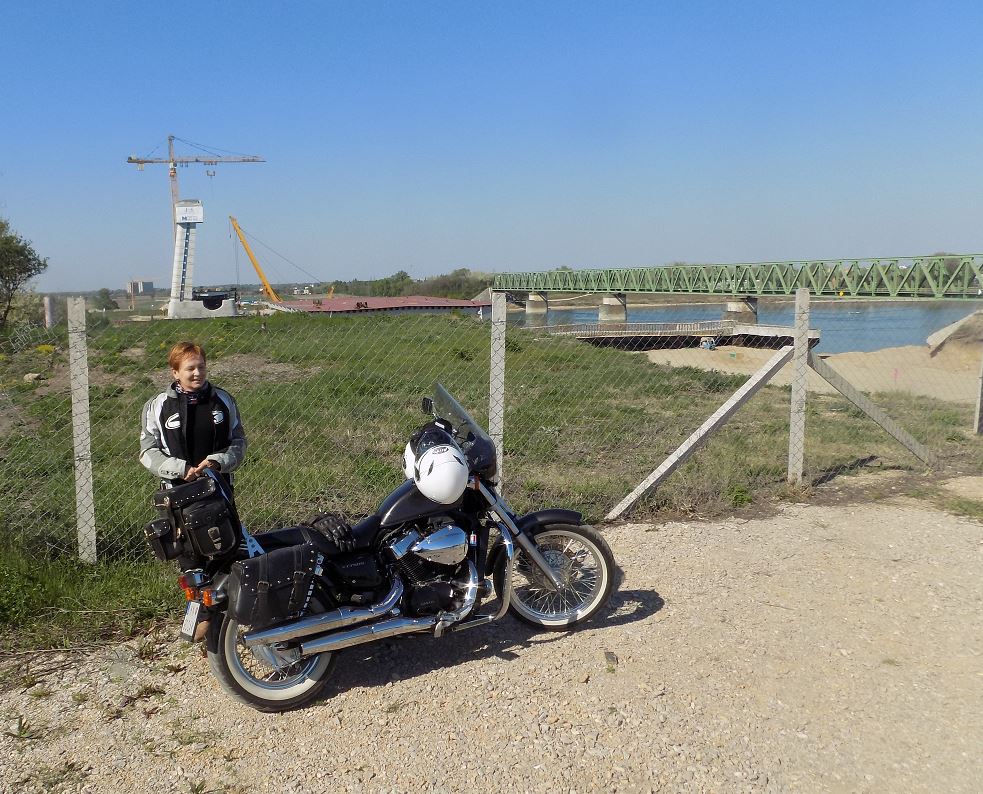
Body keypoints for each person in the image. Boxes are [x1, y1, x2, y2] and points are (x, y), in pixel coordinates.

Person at [139, 341, 246, 488]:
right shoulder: (157, 406)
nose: (198, 373)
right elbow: (147, 450)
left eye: (201, 367)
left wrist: (218, 461)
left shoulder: (224, 400)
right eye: (190, 368)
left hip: (219, 489)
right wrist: (180, 469)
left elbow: (239, 441)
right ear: (175, 372)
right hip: (176, 490)